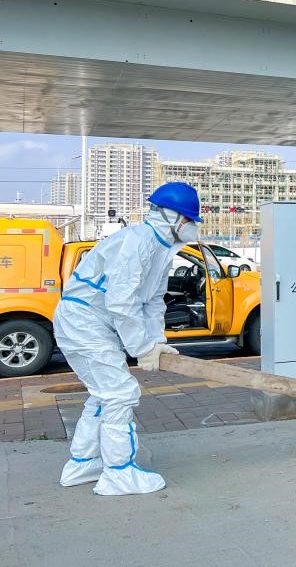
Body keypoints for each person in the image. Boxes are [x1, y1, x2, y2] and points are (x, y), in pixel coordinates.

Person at [54, 182, 202, 495]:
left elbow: (152, 301)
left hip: (92, 324)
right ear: (172, 218)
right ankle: (119, 473)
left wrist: (156, 342)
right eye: (190, 220)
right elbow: (121, 302)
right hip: (83, 322)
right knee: (120, 394)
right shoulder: (138, 242)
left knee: (104, 393)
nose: (192, 227)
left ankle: (83, 462)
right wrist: (141, 348)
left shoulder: (161, 249)